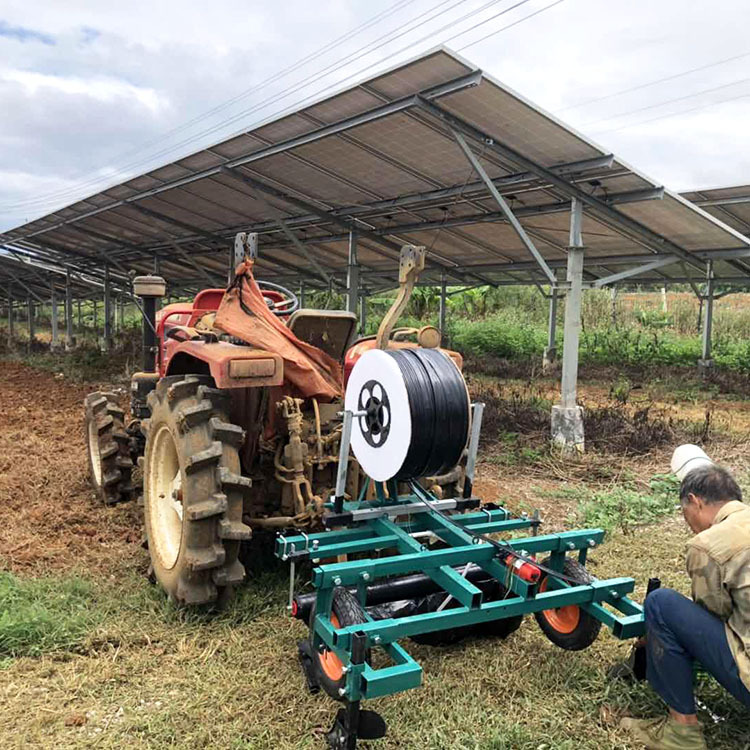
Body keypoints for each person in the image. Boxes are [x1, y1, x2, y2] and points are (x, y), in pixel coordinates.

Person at [620, 463, 750, 749]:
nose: (687, 521)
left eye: (684, 513)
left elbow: (713, 616)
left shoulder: (709, 543)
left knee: (661, 603)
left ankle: (683, 733)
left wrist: (659, 634)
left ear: (695, 500)